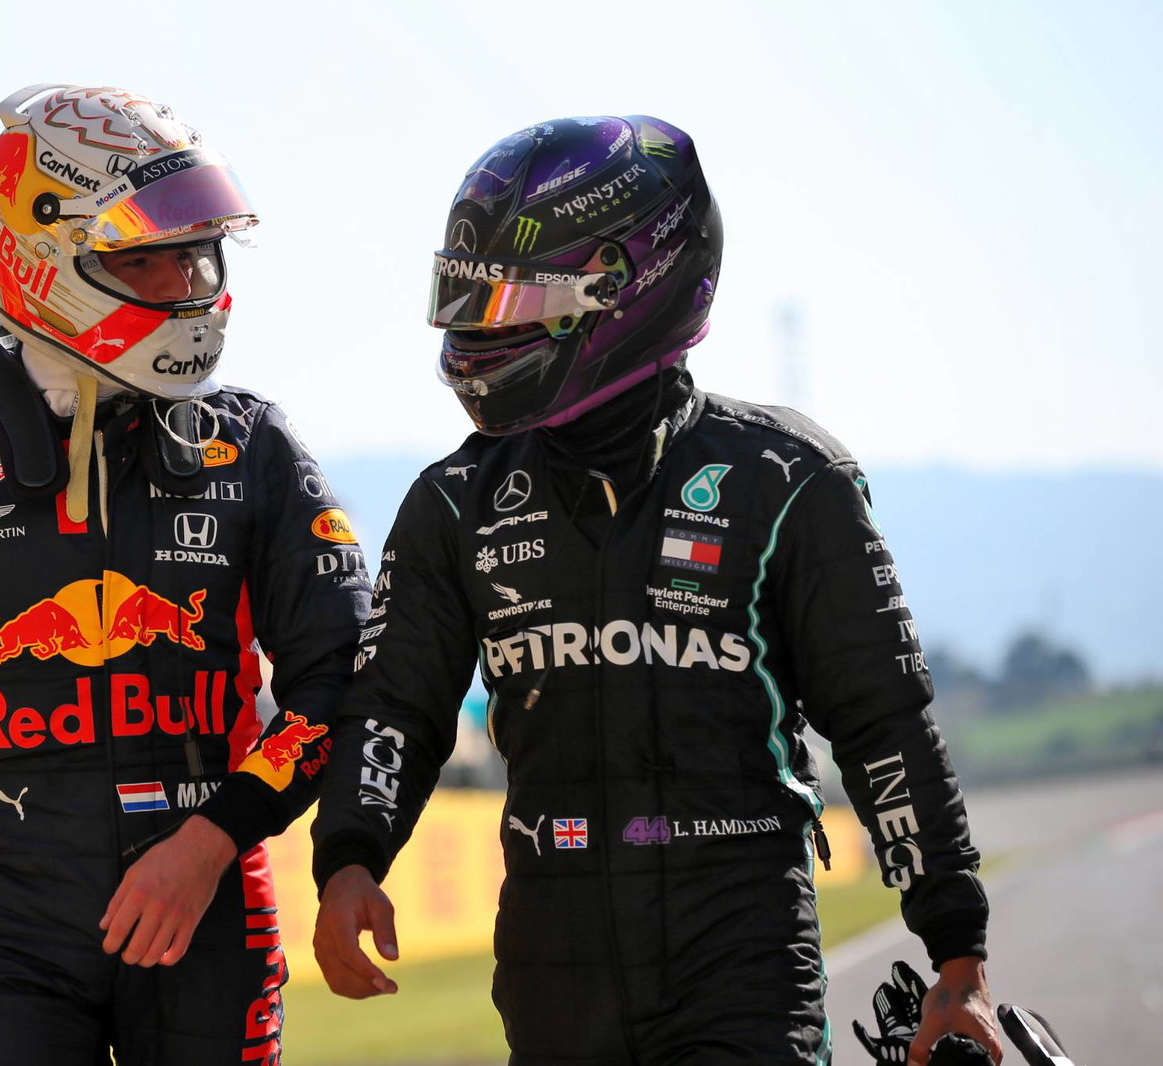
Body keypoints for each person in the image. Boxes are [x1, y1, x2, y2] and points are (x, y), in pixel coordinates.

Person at [309, 115, 1001, 1066]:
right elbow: (395, 708)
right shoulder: (453, 502)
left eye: (509, 301)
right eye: (468, 299)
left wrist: (957, 955)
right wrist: (350, 858)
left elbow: (884, 724)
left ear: (627, 289)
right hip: (549, 976)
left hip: (744, 966)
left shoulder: (788, 478)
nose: (479, 331)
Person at [0, 83, 370, 1066]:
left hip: (211, 923)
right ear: (46, 252)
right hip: (7, 936)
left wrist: (206, 846)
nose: (187, 281)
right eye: (146, 256)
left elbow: (347, 683)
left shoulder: (255, 445)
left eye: (196, 250)